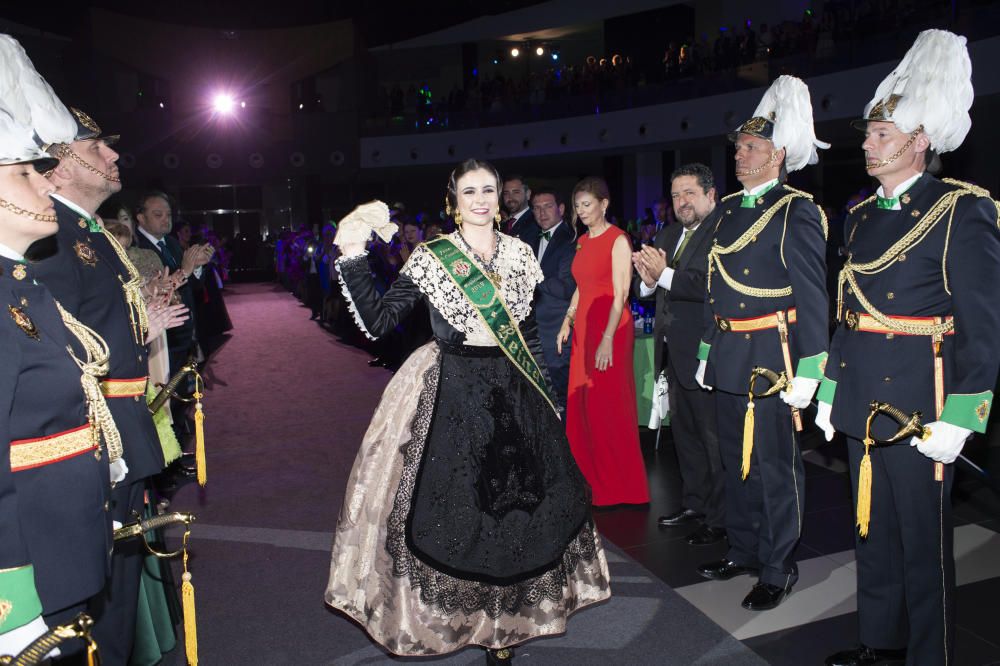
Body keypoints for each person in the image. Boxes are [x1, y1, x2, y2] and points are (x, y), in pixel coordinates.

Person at [325, 159, 610, 663]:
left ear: (500, 198)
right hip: (453, 391)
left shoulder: (522, 255)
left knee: (516, 510)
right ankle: (467, 621)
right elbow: (379, 320)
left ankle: (505, 628)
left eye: (488, 190)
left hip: (513, 393)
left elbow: (527, 337)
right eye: (469, 190)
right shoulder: (433, 257)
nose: (480, 199)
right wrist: (353, 255)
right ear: (453, 200)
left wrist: (545, 394)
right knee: (459, 512)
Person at [817, 30, 1000, 666]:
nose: (867, 146)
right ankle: (880, 642)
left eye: (881, 136)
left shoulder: (960, 210)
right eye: (868, 135)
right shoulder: (861, 216)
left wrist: (964, 415)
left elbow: (984, 322)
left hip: (925, 403)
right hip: (863, 392)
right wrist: (832, 385)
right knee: (872, 529)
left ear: (918, 142)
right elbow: (848, 311)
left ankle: (931, 654)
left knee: (924, 543)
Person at [21, 100, 181, 663]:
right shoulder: (48, 236)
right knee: (98, 614)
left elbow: (99, 330)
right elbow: (51, 361)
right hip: (95, 443)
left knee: (118, 599)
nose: (113, 155)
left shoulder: (88, 232)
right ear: (57, 164)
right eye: (95, 147)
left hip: (124, 434)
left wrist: (145, 327)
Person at [695, 75, 830, 611]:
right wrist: (707, 351)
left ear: (777, 155)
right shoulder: (727, 209)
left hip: (774, 355)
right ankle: (744, 548)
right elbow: (713, 286)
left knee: (775, 467)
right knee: (735, 460)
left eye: (751, 148)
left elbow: (813, 296)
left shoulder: (798, 210)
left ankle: (778, 566)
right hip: (730, 353)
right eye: (739, 148)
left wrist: (812, 367)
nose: (740, 155)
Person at [0, 102, 118, 661]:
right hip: (28, 555)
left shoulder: (21, 286)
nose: (45, 188)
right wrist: (7, 586)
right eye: (24, 174)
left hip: (62, 537)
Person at [634, 163, 725, 546]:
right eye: (675, 195)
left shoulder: (723, 231)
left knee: (713, 440)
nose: (682, 202)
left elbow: (711, 284)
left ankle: (721, 519)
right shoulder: (668, 234)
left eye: (689, 193)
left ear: (710, 194)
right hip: (674, 353)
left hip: (709, 352)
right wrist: (647, 280)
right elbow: (649, 288)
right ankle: (695, 504)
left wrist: (664, 274)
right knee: (685, 437)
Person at [558, 176, 649, 506]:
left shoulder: (618, 240)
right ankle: (587, 481)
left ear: (604, 204)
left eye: (587, 204)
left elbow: (621, 292)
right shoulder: (583, 241)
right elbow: (582, 286)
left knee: (607, 407)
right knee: (583, 406)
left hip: (610, 328)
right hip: (585, 326)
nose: (581, 211)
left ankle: (620, 488)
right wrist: (567, 320)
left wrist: (608, 338)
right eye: (577, 206)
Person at [523, 188, 576, 411]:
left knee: (559, 398)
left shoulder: (572, 240)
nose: (542, 213)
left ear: (561, 209)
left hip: (556, 330)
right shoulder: (529, 240)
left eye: (547, 206)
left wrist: (530, 273)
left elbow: (566, 288)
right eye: (536, 207)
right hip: (531, 331)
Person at [500, 174, 535, 239]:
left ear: (528, 194)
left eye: (516, 192)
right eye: (506, 193)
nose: (510, 197)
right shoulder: (502, 224)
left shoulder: (536, 223)